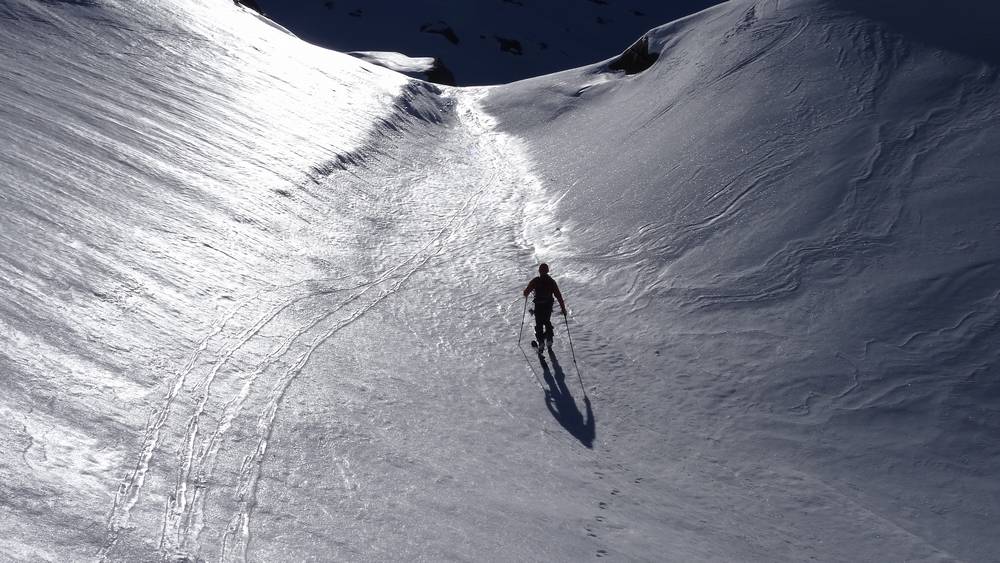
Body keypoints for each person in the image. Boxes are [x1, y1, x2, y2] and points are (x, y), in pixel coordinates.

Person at [522, 263, 566, 350]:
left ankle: (541, 342)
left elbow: (525, 292)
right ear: (547, 271)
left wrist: (527, 293)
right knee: (547, 321)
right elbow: (559, 296)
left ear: (539, 271)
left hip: (538, 305)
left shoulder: (536, 280)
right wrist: (563, 309)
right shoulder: (551, 281)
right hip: (548, 305)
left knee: (539, 324)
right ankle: (549, 339)